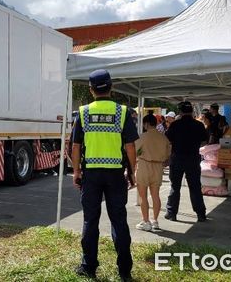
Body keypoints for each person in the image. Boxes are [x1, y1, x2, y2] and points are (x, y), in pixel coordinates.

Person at [71, 69, 138, 281]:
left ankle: (88, 266)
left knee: (90, 221)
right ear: (111, 88)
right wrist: (132, 172)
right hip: (115, 175)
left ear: (91, 90)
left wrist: (76, 172)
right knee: (119, 220)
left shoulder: (83, 113)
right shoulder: (123, 112)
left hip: (91, 175)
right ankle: (125, 271)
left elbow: (75, 146)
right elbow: (130, 147)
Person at [164, 101, 208, 222]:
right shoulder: (199, 125)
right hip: (193, 159)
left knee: (175, 186)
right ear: (192, 111)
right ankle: (201, 214)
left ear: (181, 111)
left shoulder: (175, 125)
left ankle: (172, 213)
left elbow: (167, 139)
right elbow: (205, 140)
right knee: (195, 187)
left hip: (177, 158)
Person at [135, 111, 171, 231]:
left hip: (144, 165)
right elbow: (167, 155)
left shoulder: (142, 136)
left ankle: (146, 221)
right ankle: (155, 221)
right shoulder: (163, 137)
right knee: (156, 195)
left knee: (143, 196)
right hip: (158, 167)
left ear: (146, 124)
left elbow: (136, 151)